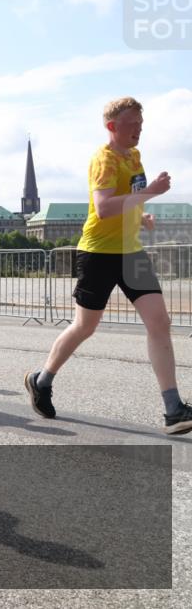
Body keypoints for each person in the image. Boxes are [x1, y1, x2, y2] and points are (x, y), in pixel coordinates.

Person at [24, 97, 192, 435]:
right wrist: (150, 195)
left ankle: (173, 408)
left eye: (141, 125)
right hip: (99, 254)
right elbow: (102, 208)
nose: (138, 131)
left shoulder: (135, 157)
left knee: (159, 322)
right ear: (112, 127)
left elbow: (125, 198)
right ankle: (41, 380)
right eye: (132, 125)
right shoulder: (104, 160)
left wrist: (138, 215)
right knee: (85, 327)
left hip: (131, 253)